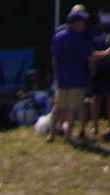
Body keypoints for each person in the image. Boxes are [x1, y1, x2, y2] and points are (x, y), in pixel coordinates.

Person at [50, 5, 95, 144]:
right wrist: (106, 54)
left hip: (62, 78)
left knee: (57, 107)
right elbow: (90, 56)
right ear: (75, 23)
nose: (83, 24)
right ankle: (68, 136)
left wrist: (57, 73)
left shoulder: (58, 36)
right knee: (72, 108)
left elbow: (53, 58)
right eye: (81, 21)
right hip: (77, 78)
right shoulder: (77, 39)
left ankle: (52, 133)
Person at [92, 13, 110, 139]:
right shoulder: (92, 31)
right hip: (97, 68)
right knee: (96, 96)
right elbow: (89, 50)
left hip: (109, 68)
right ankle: (95, 125)